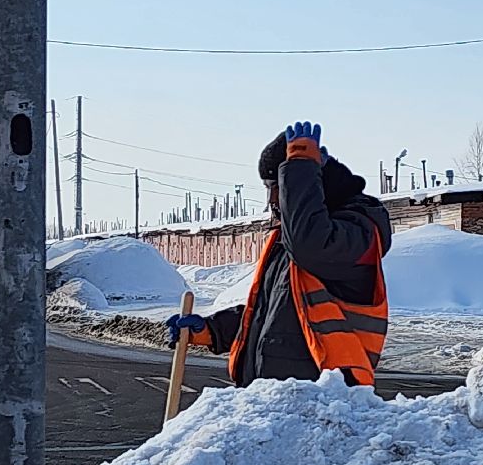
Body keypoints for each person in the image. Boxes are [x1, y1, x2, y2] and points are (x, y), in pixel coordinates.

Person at [166, 121, 392, 387]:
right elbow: (273, 314)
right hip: (278, 401)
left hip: (326, 402)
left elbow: (311, 246)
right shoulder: (288, 239)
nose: (273, 199)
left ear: (311, 180)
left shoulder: (358, 231)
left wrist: (300, 167)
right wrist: (212, 331)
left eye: (278, 185)